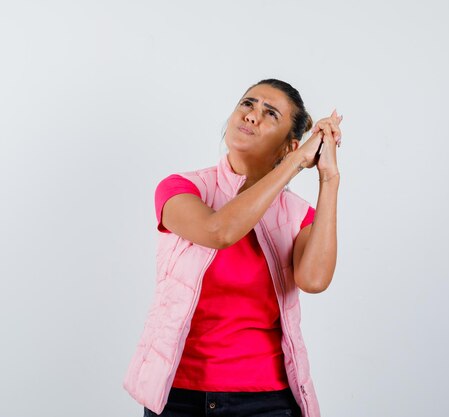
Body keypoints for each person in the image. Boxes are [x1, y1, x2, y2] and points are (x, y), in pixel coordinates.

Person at [123, 78, 342, 417]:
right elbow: (219, 231)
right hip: (178, 397)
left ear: (289, 145)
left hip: (267, 401)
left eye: (270, 113)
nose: (252, 115)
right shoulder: (182, 188)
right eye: (247, 103)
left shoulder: (298, 215)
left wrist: (329, 178)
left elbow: (313, 280)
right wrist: (296, 163)